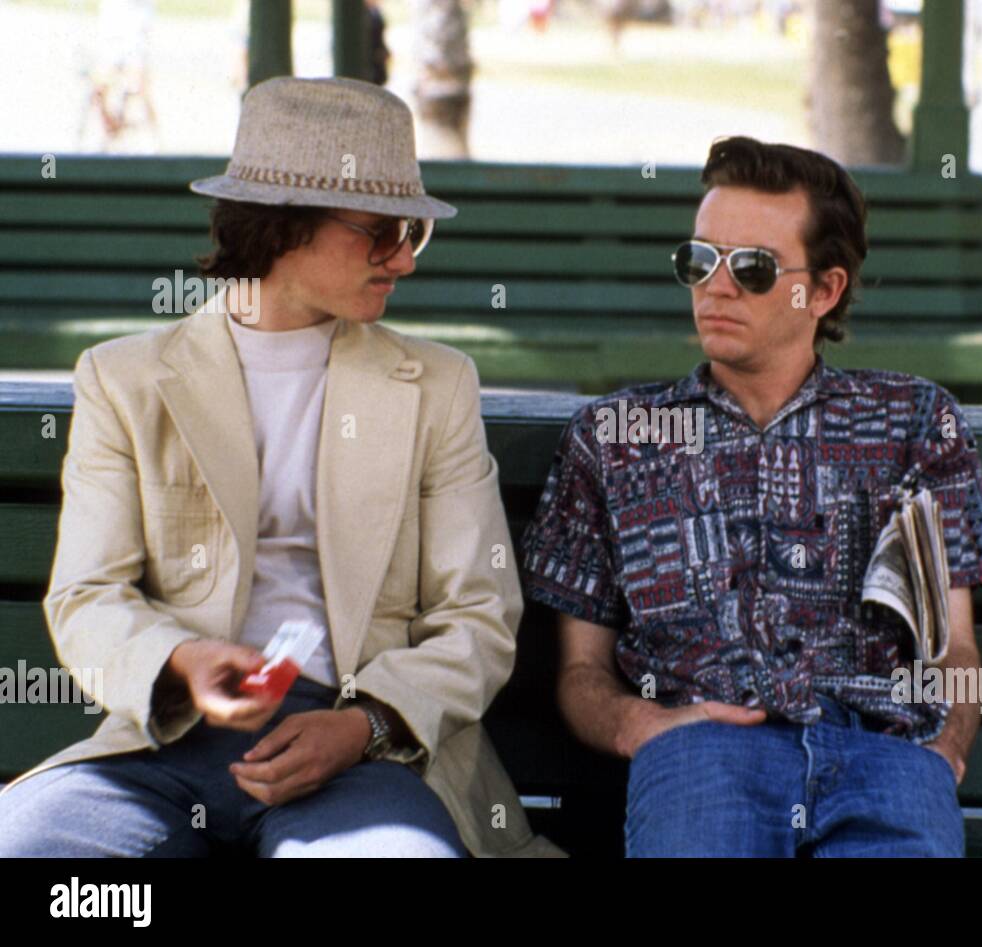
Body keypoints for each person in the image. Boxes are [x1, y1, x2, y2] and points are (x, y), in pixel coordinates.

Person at [0, 77, 562, 859]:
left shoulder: (437, 386)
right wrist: (183, 661)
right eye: (382, 231)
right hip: (164, 744)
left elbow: (477, 613)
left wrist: (365, 724)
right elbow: (88, 594)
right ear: (283, 224)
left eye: (414, 232)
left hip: (365, 753)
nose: (404, 259)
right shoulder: (126, 380)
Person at [521, 136, 982, 857]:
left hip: (883, 755)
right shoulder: (616, 436)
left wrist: (946, 751)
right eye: (699, 260)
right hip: (704, 751)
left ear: (825, 290)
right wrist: (644, 727)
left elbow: (952, 646)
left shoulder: (914, 423)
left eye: (751, 268)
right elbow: (579, 672)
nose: (716, 287)